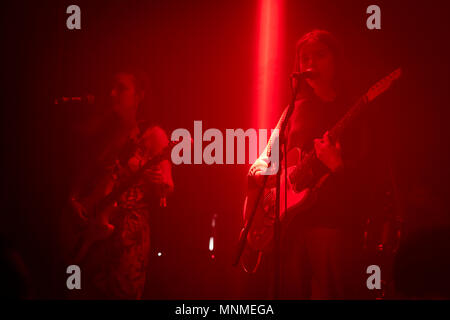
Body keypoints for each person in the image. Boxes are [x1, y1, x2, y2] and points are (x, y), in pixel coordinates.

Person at [247, 30, 369, 299]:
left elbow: (371, 173)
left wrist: (338, 165)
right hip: (290, 226)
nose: (310, 63)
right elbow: (267, 157)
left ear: (336, 60)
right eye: (305, 58)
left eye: (320, 56)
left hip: (332, 221)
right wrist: (258, 170)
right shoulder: (294, 109)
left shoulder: (355, 109)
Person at [63, 70, 174, 299]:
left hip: (127, 237)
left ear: (139, 96)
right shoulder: (107, 135)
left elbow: (168, 185)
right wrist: (74, 200)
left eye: (121, 88)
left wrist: (160, 183)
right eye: (112, 88)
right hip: (95, 231)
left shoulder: (153, 135)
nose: (112, 94)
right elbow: (85, 174)